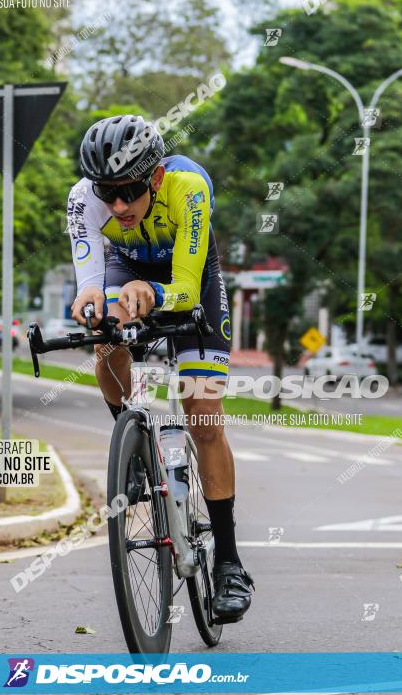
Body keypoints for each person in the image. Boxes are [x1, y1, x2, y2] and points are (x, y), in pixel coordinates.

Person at [67, 114, 254, 623]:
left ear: (154, 177)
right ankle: (131, 448)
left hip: (189, 274)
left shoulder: (188, 187)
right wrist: (90, 299)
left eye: (129, 191)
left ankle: (231, 563)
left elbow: (187, 289)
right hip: (127, 268)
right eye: (109, 193)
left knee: (203, 413)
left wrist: (157, 295)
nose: (119, 206)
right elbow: (89, 277)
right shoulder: (83, 199)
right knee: (105, 334)